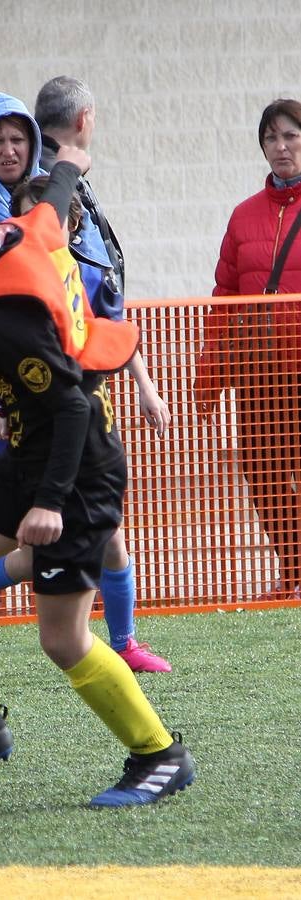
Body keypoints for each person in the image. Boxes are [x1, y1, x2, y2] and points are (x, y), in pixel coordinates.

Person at [0, 148, 195, 807]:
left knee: (61, 640)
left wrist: (50, 503)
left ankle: (159, 756)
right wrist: (68, 164)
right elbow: (52, 209)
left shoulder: (1, 322)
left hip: (75, 472)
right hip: (33, 454)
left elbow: (74, 407)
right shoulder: (12, 236)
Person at [0, 88, 171, 673]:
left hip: (83, 413)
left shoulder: (79, 261)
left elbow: (111, 329)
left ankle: (121, 644)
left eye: (17, 138)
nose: (7, 148)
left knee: (100, 537)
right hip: (39, 418)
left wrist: (145, 388)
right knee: (43, 549)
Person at [194, 98, 301, 600]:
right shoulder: (243, 217)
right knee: (265, 475)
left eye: (291, 136)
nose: (281, 147)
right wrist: (208, 380)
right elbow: (224, 300)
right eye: (272, 138)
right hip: (259, 373)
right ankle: (294, 573)